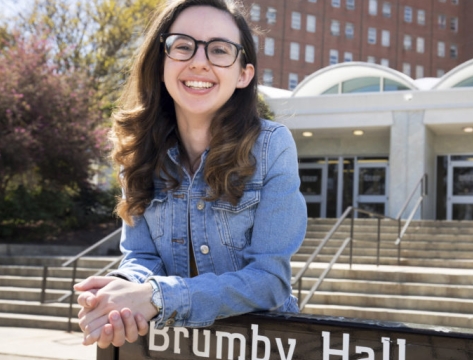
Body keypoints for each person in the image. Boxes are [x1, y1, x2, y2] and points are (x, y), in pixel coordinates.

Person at [73, 0, 307, 348]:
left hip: (260, 343)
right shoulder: (137, 151)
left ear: (243, 73)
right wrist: (120, 291)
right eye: (182, 46)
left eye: (219, 50)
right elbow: (142, 256)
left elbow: (269, 282)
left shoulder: (272, 147)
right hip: (174, 346)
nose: (199, 61)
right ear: (161, 62)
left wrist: (154, 296)